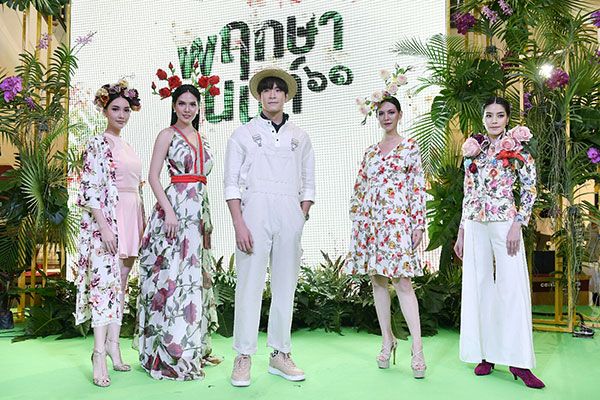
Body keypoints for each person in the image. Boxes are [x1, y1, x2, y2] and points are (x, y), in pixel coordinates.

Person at [224, 67, 315, 387]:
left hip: (289, 211)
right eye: (266, 89)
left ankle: (280, 354)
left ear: (286, 95)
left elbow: (309, 182)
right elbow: (231, 184)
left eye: (278, 89)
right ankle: (243, 356)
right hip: (254, 212)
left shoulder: (300, 137)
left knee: (285, 284)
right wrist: (239, 223)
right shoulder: (243, 134)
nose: (272, 94)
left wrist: (300, 214)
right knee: (249, 284)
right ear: (259, 96)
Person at [454, 96, 544, 389]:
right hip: (475, 223)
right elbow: (468, 191)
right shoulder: (473, 149)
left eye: (500, 115)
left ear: (507, 118)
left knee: (512, 287)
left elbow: (530, 187)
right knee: (479, 286)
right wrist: (462, 230)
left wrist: (519, 222)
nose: (494, 120)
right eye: (489, 115)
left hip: (505, 221)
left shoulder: (518, 148)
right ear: (483, 118)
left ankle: (519, 361)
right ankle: (485, 354)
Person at [137, 84, 219, 380]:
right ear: (174, 106)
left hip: (198, 212)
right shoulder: (167, 135)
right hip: (174, 211)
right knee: (172, 277)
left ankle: (192, 347)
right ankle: (171, 351)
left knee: (193, 279)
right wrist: (169, 211)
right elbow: (152, 176)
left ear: (198, 107)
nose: (187, 109)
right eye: (182, 103)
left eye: (192, 104)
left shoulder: (202, 137)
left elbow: (201, 180)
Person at [344, 96, 427, 379]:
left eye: (391, 112)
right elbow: (360, 187)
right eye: (381, 113)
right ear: (377, 117)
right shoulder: (370, 152)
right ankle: (387, 340)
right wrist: (358, 220)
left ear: (399, 115)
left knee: (403, 282)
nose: (386, 117)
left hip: (398, 223)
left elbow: (417, 188)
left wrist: (418, 224)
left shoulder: (410, 147)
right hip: (371, 224)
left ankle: (417, 349)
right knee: (377, 281)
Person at [75, 80, 143, 387]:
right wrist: (103, 226)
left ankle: (115, 347)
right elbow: (89, 188)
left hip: (131, 216)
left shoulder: (127, 145)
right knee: (104, 285)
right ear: (104, 110)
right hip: (108, 220)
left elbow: (134, 184)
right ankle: (98, 353)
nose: (121, 115)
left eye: (126, 110)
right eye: (115, 109)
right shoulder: (97, 143)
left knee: (122, 284)